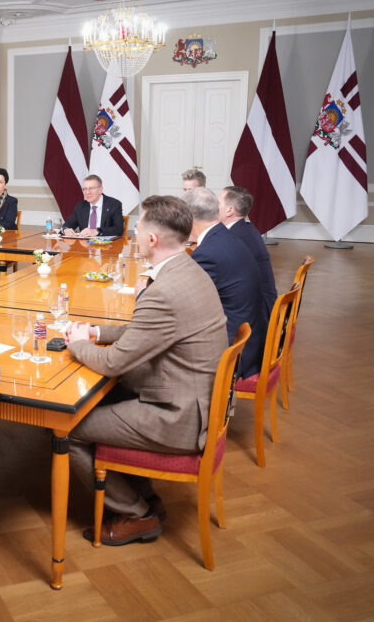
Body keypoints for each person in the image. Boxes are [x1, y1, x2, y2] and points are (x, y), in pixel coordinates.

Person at [64, 195, 227, 546]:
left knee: (69, 431)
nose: (134, 233)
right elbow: (146, 330)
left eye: (137, 228)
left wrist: (77, 344)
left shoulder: (163, 291)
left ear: (152, 239)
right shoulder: (189, 271)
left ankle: (137, 514)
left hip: (179, 416)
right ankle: (146, 497)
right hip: (195, 399)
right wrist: (97, 332)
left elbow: (113, 363)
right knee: (107, 398)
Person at [183, 187, 266, 378]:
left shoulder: (208, 252)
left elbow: (185, 304)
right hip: (248, 335)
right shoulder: (224, 237)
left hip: (234, 351)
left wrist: (143, 293)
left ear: (188, 217)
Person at [219, 186, 278, 323]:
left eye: (218, 203)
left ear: (229, 210)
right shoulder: (245, 229)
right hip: (263, 305)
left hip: (257, 315)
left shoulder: (235, 238)